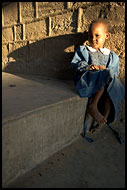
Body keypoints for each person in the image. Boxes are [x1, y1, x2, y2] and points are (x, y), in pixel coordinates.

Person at [71, 18, 124, 133]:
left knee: (115, 86)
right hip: (90, 79)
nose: (93, 39)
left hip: (105, 83)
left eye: (97, 36)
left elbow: (113, 73)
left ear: (107, 36)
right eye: (90, 36)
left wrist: (104, 69)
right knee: (104, 75)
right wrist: (89, 67)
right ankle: (93, 106)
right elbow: (76, 63)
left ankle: (104, 118)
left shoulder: (112, 56)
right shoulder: (84, 50)